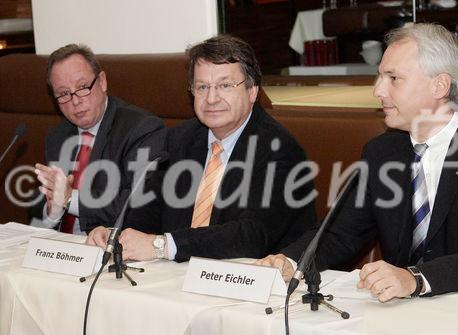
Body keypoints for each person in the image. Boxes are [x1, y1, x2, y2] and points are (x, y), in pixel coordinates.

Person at [257, 23, 458, 302]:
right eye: (379, 76)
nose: (378, 90)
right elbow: (340, 234)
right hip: (401, 312)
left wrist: (415, 279)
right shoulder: (382, 152)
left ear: (440, 86)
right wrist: (290, 260)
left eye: (393, 78)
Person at [86, 35, 317, 262]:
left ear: (252, 91)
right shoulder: (180, 139)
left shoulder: (279, 149)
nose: (212, 98)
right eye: (202, 87)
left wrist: (162, 246)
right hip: (183, 275)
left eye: (225, 85)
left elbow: (251, 235)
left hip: (253, 282)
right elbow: (150, 208)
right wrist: (117, 232)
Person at [32, 44, 166, 234]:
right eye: (63, 94)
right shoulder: (57, 137)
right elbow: (39, 209)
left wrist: (70, 199)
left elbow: (136, 207)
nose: (76, 101)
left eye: (82, 87)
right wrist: (53, 212)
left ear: (102, 82)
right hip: (60, 251)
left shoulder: (141, 130)